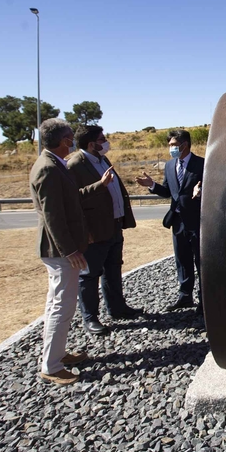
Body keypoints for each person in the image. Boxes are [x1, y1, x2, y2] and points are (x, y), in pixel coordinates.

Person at [29, 118, 90, 385]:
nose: (72, 141)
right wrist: (70, 250)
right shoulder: (48, 169)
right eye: (70, 137)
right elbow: (53, 216)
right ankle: (51, 367)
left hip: (61, 248)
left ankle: (57, 354)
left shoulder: (54, 164)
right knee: (61, 307)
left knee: (58, 304)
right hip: (59, 250)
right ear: (64, 140)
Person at [66, 124, 142, 335]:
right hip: (93, 232)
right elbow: (72, 200)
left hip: (114, 226)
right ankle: (90, 318)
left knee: (113, 269)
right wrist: (100, 185)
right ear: (91, 144)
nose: (106, 142)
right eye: (102, 139)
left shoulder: (102, 159)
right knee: (89, 275)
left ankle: (117, 308)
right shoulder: (74, 165)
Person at [136, 130, 204, 311]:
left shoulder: (203, 164)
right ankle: (185, 296)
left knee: (201, 260)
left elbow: (213, 188)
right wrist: (151, 185)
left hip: (198, 221)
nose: (171, 149)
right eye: (170, 146)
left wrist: (202, 192)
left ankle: (204, 300)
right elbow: (168, 191)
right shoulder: (169, 165)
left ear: (185, 145)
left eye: (174, 145)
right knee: (182, 260)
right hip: (178, 220)